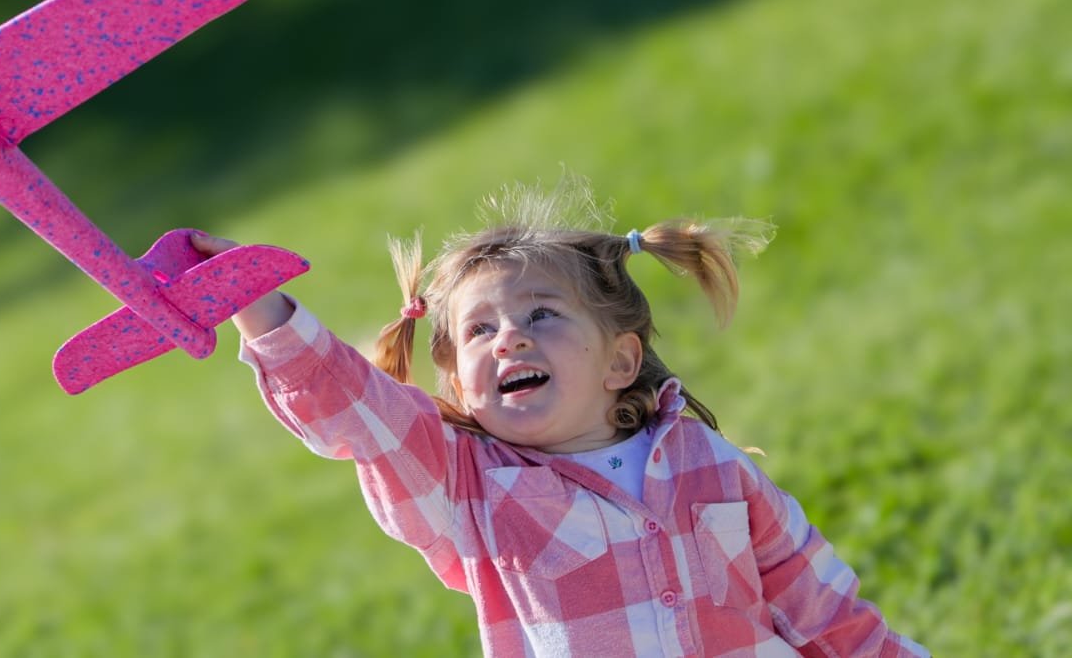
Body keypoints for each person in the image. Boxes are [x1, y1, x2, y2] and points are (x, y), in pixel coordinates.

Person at [191, 179, 927, 657]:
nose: (509, 337)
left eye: (540, 315)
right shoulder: (468, 486)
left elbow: (817, 602)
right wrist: (259, 308)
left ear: (617, 361)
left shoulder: (704, 461)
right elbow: (361, 412)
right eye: (479, 331)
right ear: (458, 386)